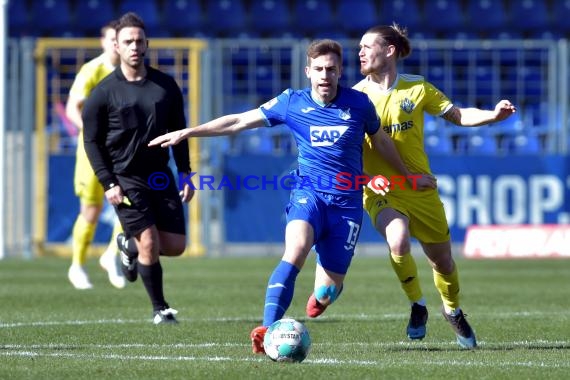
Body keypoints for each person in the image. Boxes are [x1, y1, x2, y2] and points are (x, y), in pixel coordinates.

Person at [149, 39, 431, 353]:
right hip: (308, 194)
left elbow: (380, 142)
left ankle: (324, 294)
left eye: (332, 70)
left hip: (347, 205)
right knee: (295, 249)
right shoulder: (292, 102)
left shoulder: (360, 104)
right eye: (320, 69)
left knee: (326, 291)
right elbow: (239, 121)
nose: (325, 75)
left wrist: (406, 177)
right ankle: (267, 330)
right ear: (308, 71)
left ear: (340, 72)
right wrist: (188, 132)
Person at [354, 23, 516, 349]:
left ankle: (452, 310)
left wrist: (492, 117)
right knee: (397, 240)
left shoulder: (418, 88)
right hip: (381, 189)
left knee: (443, 263)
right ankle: (417, 306)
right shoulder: (356, 97)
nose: (360, 52)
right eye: (359, 47)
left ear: (389, 50)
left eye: (367, 46)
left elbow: (458, 115)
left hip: (420, 188)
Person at [82, 12, 195, 324]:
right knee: (149, 241)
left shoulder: (166, 86)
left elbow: (180, 132)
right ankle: (160, 309)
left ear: (147, 44)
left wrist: (185, 171)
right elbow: (91, 141)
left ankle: (126, 245)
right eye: (127, 41)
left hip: (160, 175)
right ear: (116, 46)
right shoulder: (103, 92)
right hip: (125, 177)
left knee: (174, 246)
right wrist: (108, 182)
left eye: (139, 41)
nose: (134, 46)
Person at [66, 19, 126, 290]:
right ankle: (77, 266)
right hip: (93, 152)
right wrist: (91, 134)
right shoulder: (92, 69)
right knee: (90, 210)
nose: (116, 43)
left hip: (121, 150)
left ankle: (110, 256)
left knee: (129, 205)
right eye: (112, 38)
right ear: (104, 42)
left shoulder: (131, 73)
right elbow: (72, 109)